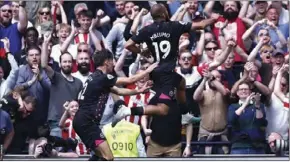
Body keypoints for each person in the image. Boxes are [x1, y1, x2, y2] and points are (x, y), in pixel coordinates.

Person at [114, 3, 217, 125]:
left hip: (158, 69)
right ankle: (127, 111)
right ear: (164, 14)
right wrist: (216, 18)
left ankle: (184, 114)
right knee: (163, 110)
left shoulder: (147, 30)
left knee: (181, 82)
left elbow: (128, 45)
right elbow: (201, 24)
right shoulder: (174, 26)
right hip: (165, 72)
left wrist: (141, 51)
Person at [73, 49, 157, 161]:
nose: (114, 64)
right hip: (86, 123)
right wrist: (148, 70)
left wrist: (139, 91)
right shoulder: (102, 78)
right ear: (106, 62)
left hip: (83, 122)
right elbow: (130, 79)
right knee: (109, 157)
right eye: (112, 61)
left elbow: (119, 91)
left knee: (99, 156)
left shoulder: (96, 78)